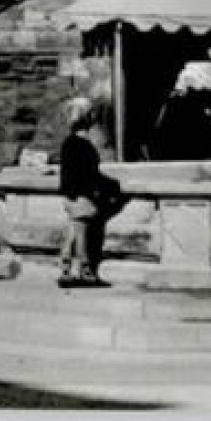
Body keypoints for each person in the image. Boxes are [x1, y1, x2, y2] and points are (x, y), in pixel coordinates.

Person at [57, 98, 122, 287]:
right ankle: (85, 272)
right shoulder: (84, 145)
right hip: (82, 196)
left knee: (73, 234)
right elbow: (90, 174)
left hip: (71, 196)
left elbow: (68, 173)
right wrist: (110, 185)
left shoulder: (68, 143)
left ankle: (66, 270)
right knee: (82, 236)